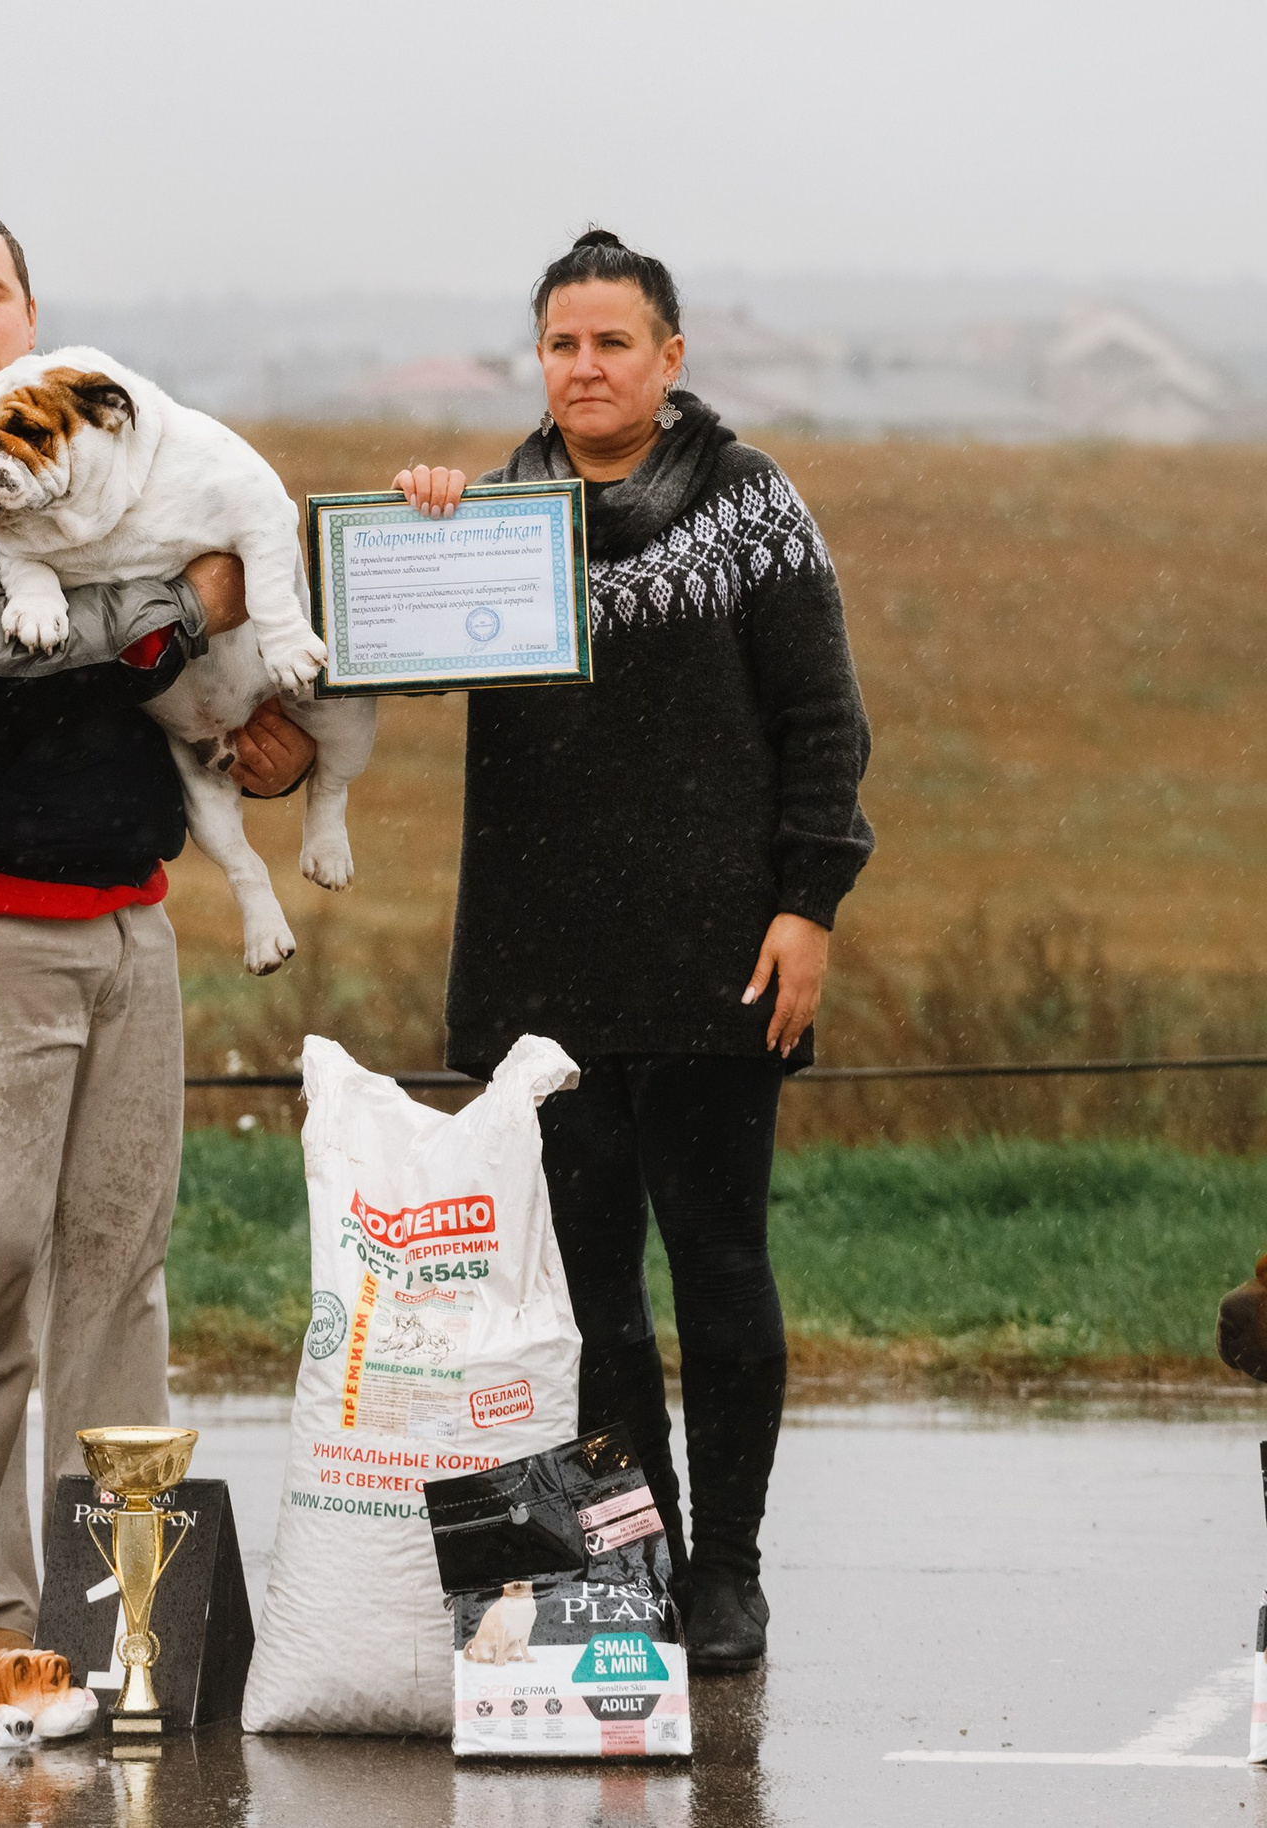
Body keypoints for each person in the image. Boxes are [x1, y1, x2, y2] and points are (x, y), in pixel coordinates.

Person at [0, 204, 316, 1649]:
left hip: (126, 909)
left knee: (115, 1268)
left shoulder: (93, 441)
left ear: (30, 313)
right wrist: (194, 597)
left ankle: (120, 1623)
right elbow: (2, 669)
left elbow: (158, 671)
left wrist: (247, 727)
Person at [396, 229, 874, 1673]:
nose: (586, 367)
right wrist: (413, 531)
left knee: (721, 1276)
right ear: (536, 361)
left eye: (615, 342)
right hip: (543, 973)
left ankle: (728, 1571)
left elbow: (824, 723)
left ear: (672, 358)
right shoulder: (492, 515)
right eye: (562, 344)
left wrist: (810, 905)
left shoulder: (751, 508)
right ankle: (636, 1563)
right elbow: (384, 652)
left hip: (718, 960)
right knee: (588, 1302)